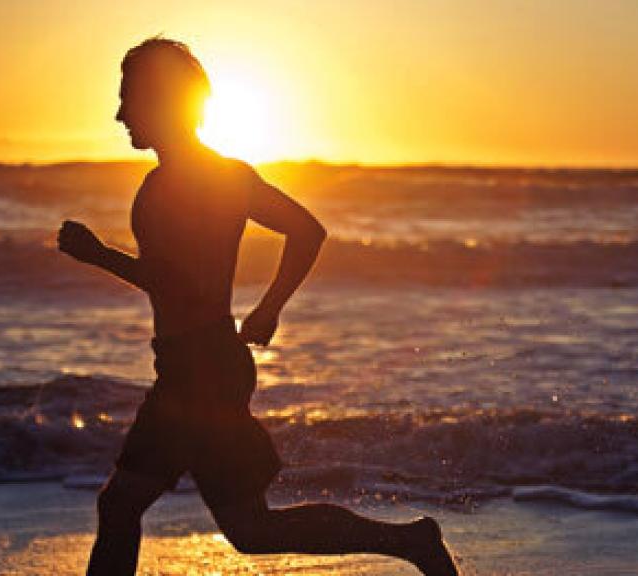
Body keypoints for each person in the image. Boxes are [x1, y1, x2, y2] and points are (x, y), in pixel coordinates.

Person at [57, 37, 459, 575]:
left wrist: (99, 255)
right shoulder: (216, 176)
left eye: (129, 97)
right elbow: (305, 231)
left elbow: (184, 285)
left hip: (200, 371)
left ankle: (413, 542)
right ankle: (413, 542)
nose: (120, 113)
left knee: (148, 508)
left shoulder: (181, 184)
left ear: (159, 101)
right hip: (198, 364)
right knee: (237, 526)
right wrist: (268, 309)